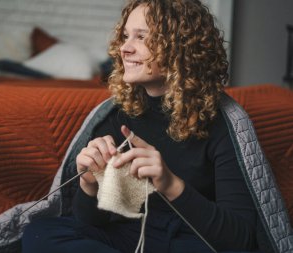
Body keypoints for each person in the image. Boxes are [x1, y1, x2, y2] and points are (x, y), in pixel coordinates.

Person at [21, 0, 260, 252]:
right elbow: (93, 222)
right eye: (125, 36)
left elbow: (241, 238)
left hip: (191, 239)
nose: (124, 48)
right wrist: (90, 185)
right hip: (131, 233)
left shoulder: (225, 122)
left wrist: (170, 184)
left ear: (180, 46)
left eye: (141, 37)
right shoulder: (117, 113)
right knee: (41, 233)